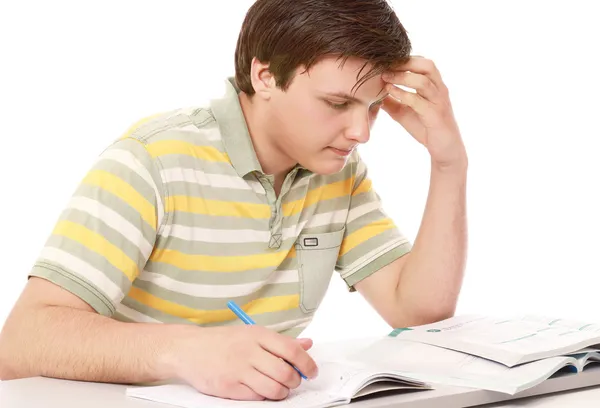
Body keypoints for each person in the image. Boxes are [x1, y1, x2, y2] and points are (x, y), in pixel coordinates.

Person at [0, 0, 467, 401]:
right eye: (337, 103)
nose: (360, 133)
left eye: (372, 107)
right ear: (264, 76)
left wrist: (449, 163)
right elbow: (21, 343)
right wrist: (188, 351)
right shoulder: (153, 161)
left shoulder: (337, 174)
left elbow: (416, 311)